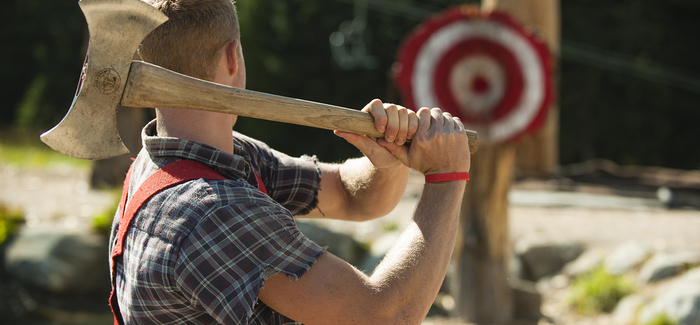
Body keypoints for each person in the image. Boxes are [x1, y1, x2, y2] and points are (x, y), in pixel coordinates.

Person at [109, 0, 471, 324]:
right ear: (233, 57)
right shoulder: (216, 210)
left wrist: (389, 160)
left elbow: (351, 196)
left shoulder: (177, 161)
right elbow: (385, 317)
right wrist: (447, 177)